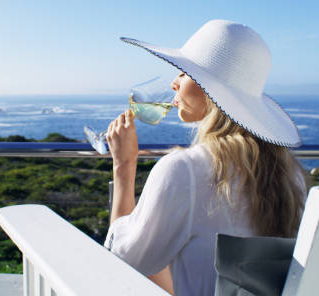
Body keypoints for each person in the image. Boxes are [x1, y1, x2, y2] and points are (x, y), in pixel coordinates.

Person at [103, 20, 307, 295]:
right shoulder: (289, 175)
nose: (174, 83)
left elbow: (119, 264)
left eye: (184, 73)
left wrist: (123, 165)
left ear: (211, 91)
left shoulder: (185, 170)